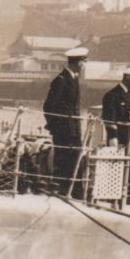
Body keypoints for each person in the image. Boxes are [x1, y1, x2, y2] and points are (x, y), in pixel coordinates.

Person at [42, 46, 88, 197]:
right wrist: (56, 128)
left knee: (75, 159)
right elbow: (49, 106)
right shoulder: (61, 80)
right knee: (64, 160)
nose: (84, 66)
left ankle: (74, 191)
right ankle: (62, 190)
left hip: (74, 130)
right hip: (64, 130)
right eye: (83, 62)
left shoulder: (73, 79)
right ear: (78, 63)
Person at [101, 66, 130, 148]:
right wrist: (113, 138)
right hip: (118, 140)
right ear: (127, 79)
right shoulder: (112, 95)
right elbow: (109, 121)